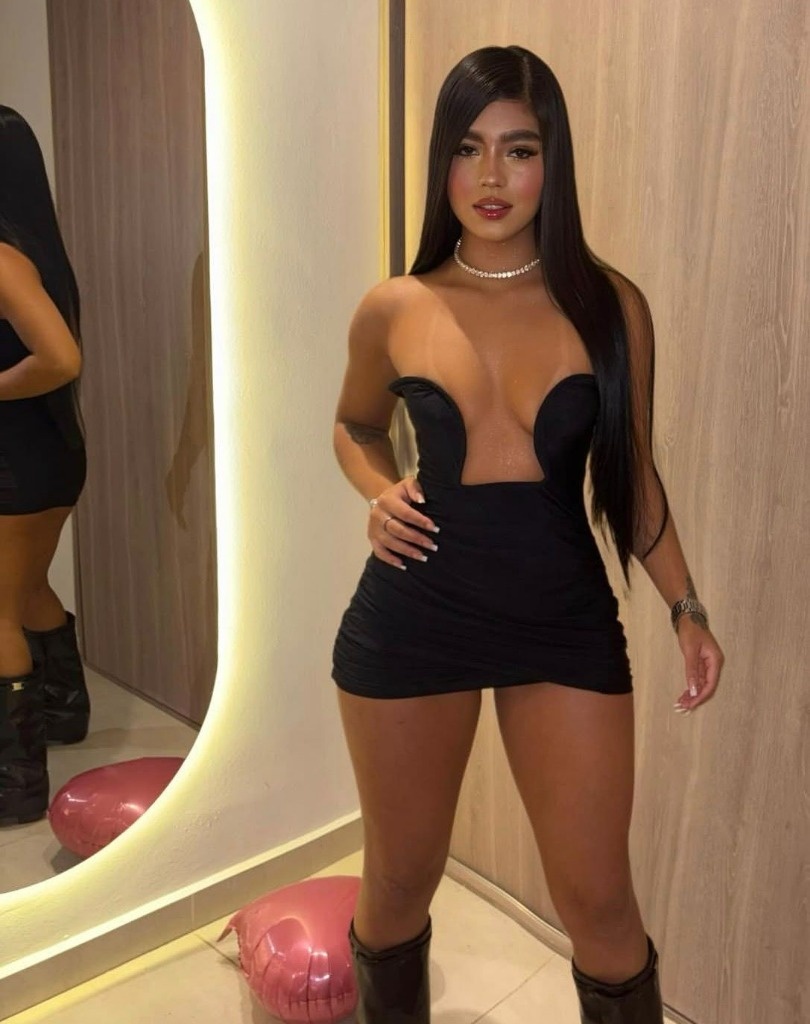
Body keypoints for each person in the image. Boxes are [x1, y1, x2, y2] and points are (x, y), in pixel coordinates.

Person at [331, 46, 726, 1023]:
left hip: (560, 619)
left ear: (554, 162)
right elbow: (354, 424)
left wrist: (685, 606)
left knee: (600, 902)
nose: (492, 176)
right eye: (468, 149)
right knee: (398, 882)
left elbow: (633, 479)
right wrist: (377, 492)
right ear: (443, 163)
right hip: (414, 616)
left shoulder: (609, 305)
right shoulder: (397, 305)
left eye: (519, 149)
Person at [0, 106, 89, 827]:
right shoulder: (34, 250)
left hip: (16, 461)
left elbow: (60, 359)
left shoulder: (1, 258)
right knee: (26, 588)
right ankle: (63, 710)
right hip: (49, 454)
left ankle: (15, 784)